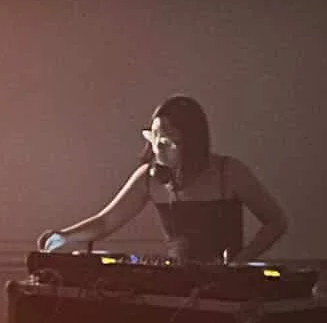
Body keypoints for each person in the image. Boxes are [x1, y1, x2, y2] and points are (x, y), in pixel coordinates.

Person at [37, 95, 288, 265]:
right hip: (177, 286)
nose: (157, 148)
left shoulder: (229, 173)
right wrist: (63, 236)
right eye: (153, 138)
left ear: (191, 141)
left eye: (166, 141)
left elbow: (276, 221)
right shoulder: (150, 178)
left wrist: (240, 262)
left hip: (225, 288)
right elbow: (105, 222)